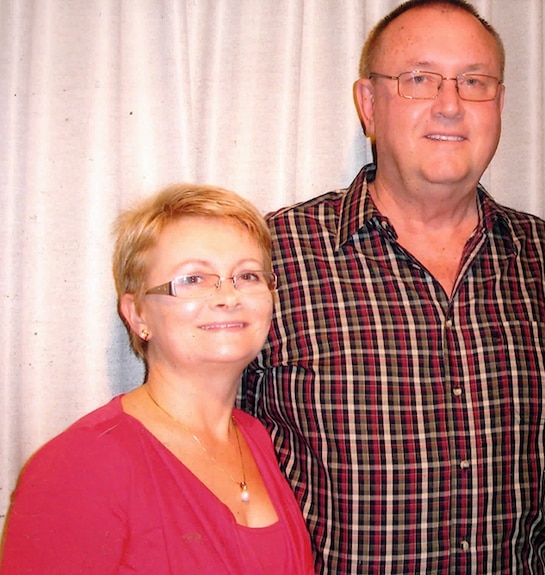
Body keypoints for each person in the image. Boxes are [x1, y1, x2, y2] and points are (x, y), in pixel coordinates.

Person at [240, 1, 545, 572]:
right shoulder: (274, 254)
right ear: (368, 105)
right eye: (419, 79)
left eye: (474, 82)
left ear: (499, 105)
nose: (450, 105)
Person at [0, 184, 314, 574]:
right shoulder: (80, 465)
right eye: (194, 279)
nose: (228, 296)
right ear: (137, 314)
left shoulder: (257, 439)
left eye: (247, 275)